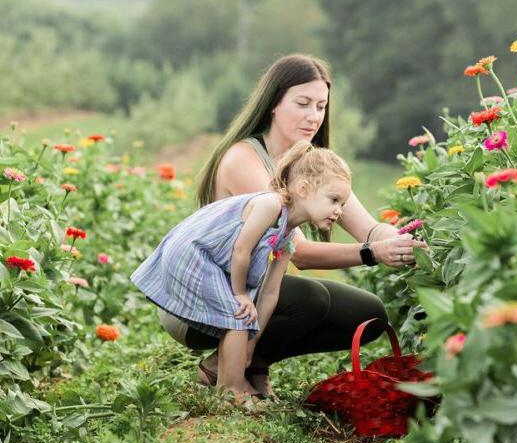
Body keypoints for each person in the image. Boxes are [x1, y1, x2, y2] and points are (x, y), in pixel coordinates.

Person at [158, 53, 426, 397]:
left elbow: (370, 230)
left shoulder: (312, 166)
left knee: (367, 312)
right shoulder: (244, 158)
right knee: (310, 298)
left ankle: (253, 362)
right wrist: (373, 253)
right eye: (302, 103)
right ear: (273, 103)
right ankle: (222, 371)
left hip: (251, 291)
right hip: (204, 297)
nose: (313, 116)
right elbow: (301, 252)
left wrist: (401, 243)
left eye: (321, 106)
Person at [131, 141, 352, 401]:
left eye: (343, 204)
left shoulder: (289, 236)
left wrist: (252, 342)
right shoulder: (270, 205)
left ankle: (226, 383)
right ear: (303, 189)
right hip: (192, 253)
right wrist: (239, 293)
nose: (339, 211)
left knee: (244, 317)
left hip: (209, 261)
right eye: (334, 199)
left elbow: (269, 293)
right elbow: (241, 249)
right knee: (237, 311)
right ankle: (232, 390)